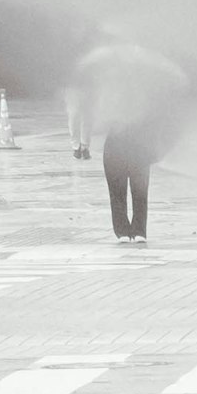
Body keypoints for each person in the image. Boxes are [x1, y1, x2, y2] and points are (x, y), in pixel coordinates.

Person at [70, 31, 185, 241]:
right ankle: (131, 230)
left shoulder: (126, 82)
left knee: (126, 188)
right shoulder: (126, 82)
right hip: (126, 141)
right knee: (127, 187)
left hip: (128, 140)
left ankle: (130, 230)